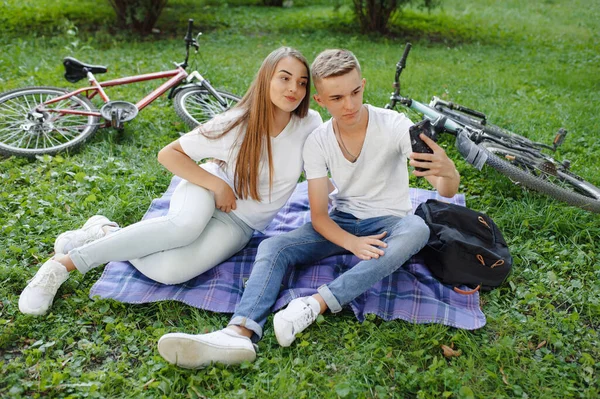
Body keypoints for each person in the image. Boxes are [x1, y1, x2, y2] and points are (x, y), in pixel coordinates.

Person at [156, 49, 461, 369]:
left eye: (356, 92)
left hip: (391, 222)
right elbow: (318, 216)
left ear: (363, 84)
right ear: (320, 101)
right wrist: (352, 243)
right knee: (274, 246)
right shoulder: (318, 141)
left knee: (418, 229)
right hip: (342, 221)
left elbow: (445, 190)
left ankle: (315, 305)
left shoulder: (394, 124)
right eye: (338, 97)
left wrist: (448, 174)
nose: (350, 104)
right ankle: (239, 332)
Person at [18, 47, 322, 316]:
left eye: (301, 82)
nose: (294, 88)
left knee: (170, 271)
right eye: (284, 77)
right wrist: (217, 185)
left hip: (240, 223)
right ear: (267, 78)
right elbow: (170, 154)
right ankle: (62, 266)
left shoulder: (310, 123)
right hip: (207, 187)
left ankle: (105, 231)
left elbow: (318, 174)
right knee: (183, 227)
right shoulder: (236, 123)